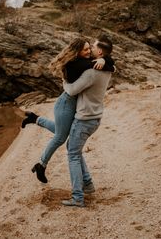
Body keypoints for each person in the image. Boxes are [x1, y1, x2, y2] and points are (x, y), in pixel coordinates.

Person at [21, 37, 115, 184]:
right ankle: (41, 164)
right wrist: (106, 62)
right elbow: (72, 89)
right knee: (60, 137)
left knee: (62, 132)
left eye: (90, 48)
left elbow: (109, 65)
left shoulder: (88, 62)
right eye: (85, 49)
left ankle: (35, 119)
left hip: (71, 104)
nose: (89, 51)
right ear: (76, 52)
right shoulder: (74, 64)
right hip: (66, 103)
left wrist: (106, 61)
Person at [61, 35, 113, 207]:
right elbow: (111, 61)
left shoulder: (92, 72)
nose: (90, 48)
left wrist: (63, 82)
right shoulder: (108, 68)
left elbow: (72, 91)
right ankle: (88, 184)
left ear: (99, 51)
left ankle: (77, 197)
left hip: (84, 118)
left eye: (93, 47)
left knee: (73, 155)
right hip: (95, 117)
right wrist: (106, 59)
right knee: (73, 148)